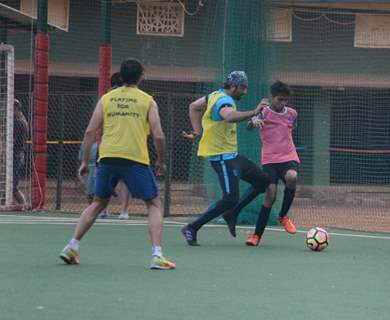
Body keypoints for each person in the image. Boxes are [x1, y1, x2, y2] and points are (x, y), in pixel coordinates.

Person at [59, 58, 176, 270]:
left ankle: (71, 246)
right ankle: (157, 255)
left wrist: (85, 161)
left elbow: (89, 131)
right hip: (135, 159)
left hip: (107, 157)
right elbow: (159, 135)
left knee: (97, 203)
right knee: (154, 204)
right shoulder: (147, 100)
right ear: (141, 76)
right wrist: (161, 160)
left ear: (121, 77)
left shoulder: (106, 99)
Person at [181, 71, 270, 246]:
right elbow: (229, 116)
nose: (245, 92)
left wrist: (198, 131)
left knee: (262, 181)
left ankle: (232, 213)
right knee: (230, 198)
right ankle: (192, 227)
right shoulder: (224, 101)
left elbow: (193, 106)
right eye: (243, 88)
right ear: (233, 86)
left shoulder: (214, 95)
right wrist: (254, 111)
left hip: (232, 155)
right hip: (222, 158)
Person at [239, 81, 299, 246]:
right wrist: (253, 122)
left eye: (285, 100)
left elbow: (290, 128)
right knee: (270, 196)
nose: (283, 103)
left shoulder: (292, 114)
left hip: (288, 156)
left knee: (292, 177)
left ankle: (283, 216)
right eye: (280, 99)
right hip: (269, 160)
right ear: (272, 97)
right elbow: (248, 127)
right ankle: (256, 236)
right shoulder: (263, 112)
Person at [78, 142, 109, 218]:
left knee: (99, 189)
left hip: (99, 167)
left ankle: (103, 210)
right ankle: (91, 208)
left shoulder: (103, 142)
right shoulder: (85, 144)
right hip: (88, 168)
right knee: (89, 190)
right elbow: (81, 158)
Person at [13, 99, 28, 209]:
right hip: (17, 154)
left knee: (13, 186)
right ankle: (22, 205)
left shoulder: (19, 122)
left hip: (16, 155)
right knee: (11, 185)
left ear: (16, 108)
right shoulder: (21, 120)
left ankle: (24, 205)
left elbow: (15, 141)